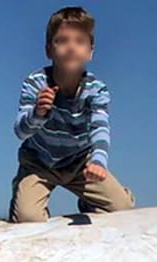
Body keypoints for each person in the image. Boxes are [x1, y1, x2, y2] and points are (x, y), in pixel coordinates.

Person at [9, 7, 135, 223]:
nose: (71, 48)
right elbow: (20, 132)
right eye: (62, 40)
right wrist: (38, 114)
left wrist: (98, 162)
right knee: (27, 217)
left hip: (80, 162)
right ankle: (22, 194)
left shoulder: (97, 89)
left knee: (122, 208)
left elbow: (100, 128)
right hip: (40, 162)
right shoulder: (35, 83)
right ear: (49, 50)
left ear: (90, 51)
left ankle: (89, 201)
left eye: (79, 41)